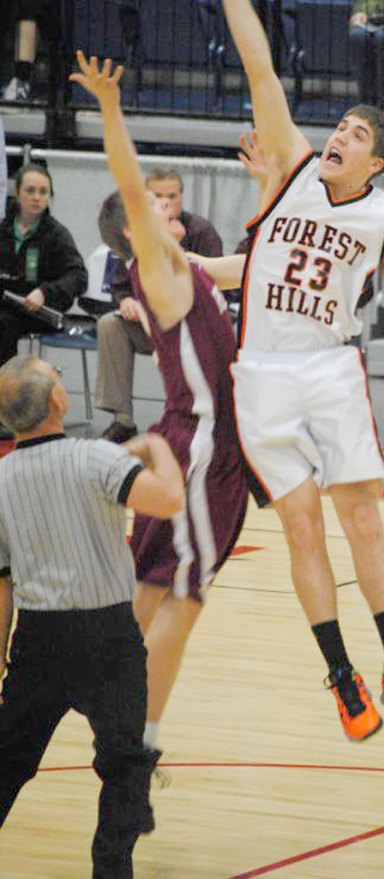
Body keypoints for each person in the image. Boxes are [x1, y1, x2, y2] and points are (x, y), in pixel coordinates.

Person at [185, 0, 384, 741]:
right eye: (338, 129)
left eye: (354, 135)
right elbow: (260, 68)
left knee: (363, 521)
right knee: (304, 526)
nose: (339, 137)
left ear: (376, 160)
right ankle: (342, 677)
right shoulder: (290, 170)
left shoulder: (382, 213)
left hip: (332, 367)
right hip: (265, 375)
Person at [70, 51, 250, 760]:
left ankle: (104, 696)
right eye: (153, 203)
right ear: (139, 225)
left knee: (151, 588)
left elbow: (259, 263)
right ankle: (136, 745)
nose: (167, 207)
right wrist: (112, 110)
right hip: (203, 445)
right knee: (187, 593)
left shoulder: (191, 266)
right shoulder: (158, 265)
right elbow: (126, 181)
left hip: (191, 439)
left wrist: (270, 186)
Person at [0, 354, 185, 878]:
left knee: (8, 760)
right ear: (58, 400)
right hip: (108, 637)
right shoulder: (96, 457)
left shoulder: (0, 478)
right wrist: (158, 448)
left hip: (38, 641)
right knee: (126, 763)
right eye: (56, 375)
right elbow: (169, 498)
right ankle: (111, 869)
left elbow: (2, 583)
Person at [95, 166, 223, 444]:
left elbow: (227, 270)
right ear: (133, 229)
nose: (166, 203)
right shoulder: (150, 270)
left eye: (171, 196)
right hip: (202, 398)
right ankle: (123, 420)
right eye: (153, 200)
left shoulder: (198, 238)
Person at [0, 161, 87, 374]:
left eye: (43, 192)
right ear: (18, 193)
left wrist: (44, 292)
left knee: (3, 323)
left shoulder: (57, 235)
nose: (37, 197)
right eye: (30, 191)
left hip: (39, 311)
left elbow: (78, 276)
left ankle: (5, 393)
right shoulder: (3, 229)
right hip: (6, 303)